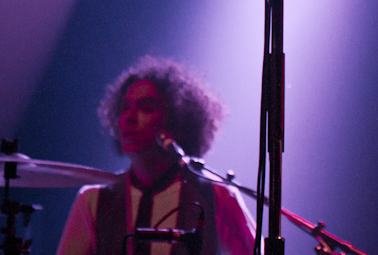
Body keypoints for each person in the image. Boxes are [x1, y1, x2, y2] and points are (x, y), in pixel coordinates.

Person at [57, 56, 255, 255]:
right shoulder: (93, 199)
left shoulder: (217, 195)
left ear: (177, 120)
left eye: (146, 108)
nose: (129, 118)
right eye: (125, 108)